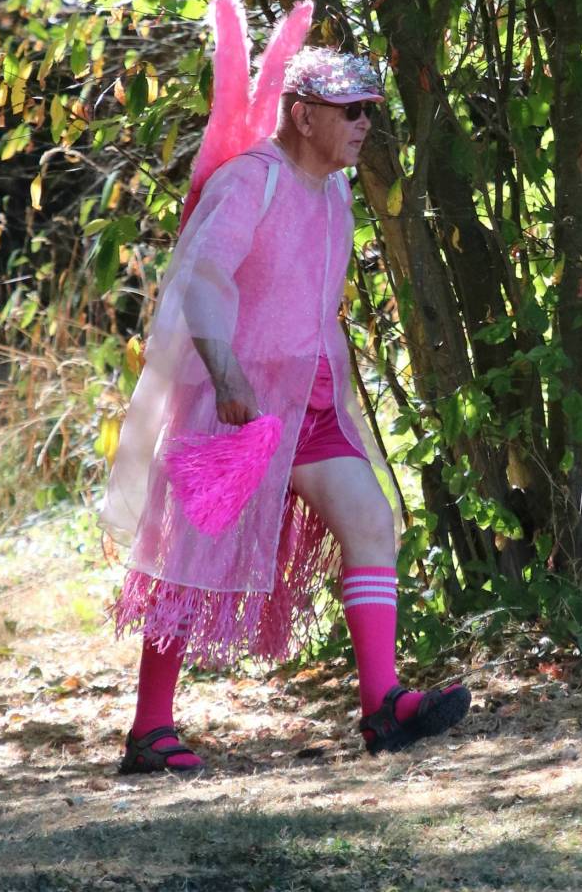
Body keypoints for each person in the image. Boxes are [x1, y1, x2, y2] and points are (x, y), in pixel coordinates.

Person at [100, 46, 470, 774]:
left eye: (370, 110)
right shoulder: (251, 183)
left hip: (311, 403)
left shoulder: (335, 192)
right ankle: (149, 728)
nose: (366, 123)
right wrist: (227, 372)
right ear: (303, 116)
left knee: (369, 520)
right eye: (351, 111)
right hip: (238, 409)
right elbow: (202, 278)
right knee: (190, 556)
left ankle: (383, 704)